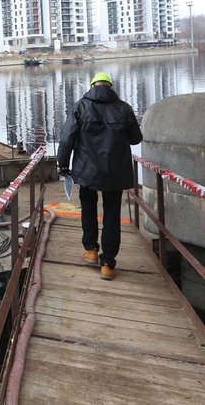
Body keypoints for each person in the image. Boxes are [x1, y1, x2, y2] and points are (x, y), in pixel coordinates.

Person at [56, 72, 143, 281]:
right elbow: (136, 139)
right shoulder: (123, 108)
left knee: (88, 207)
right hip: (115, 171)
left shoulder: (81, 106)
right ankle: (107, 264)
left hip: (87, 170)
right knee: (112, 214)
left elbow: (67, 139)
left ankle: (91, 250)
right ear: (110, 87)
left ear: (93, 86)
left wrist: (63, 164)